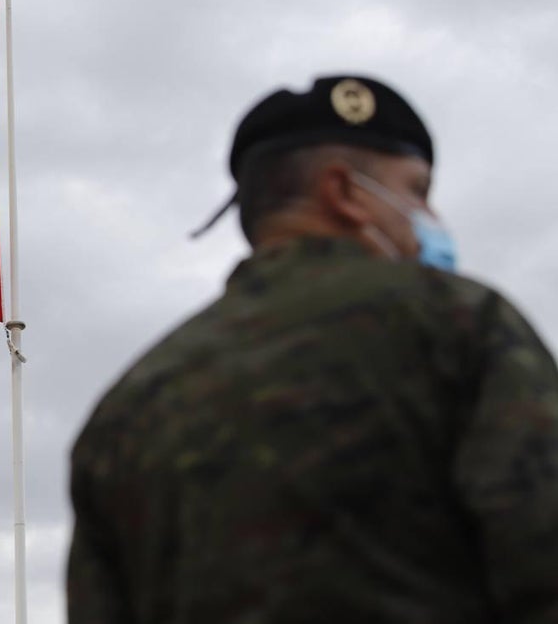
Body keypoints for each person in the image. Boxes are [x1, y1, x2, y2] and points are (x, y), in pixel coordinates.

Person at [66, 75, 558, 623]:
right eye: (417, 191)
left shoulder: (124, 416)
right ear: (344, 193)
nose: (431, 221)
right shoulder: (459, 326)